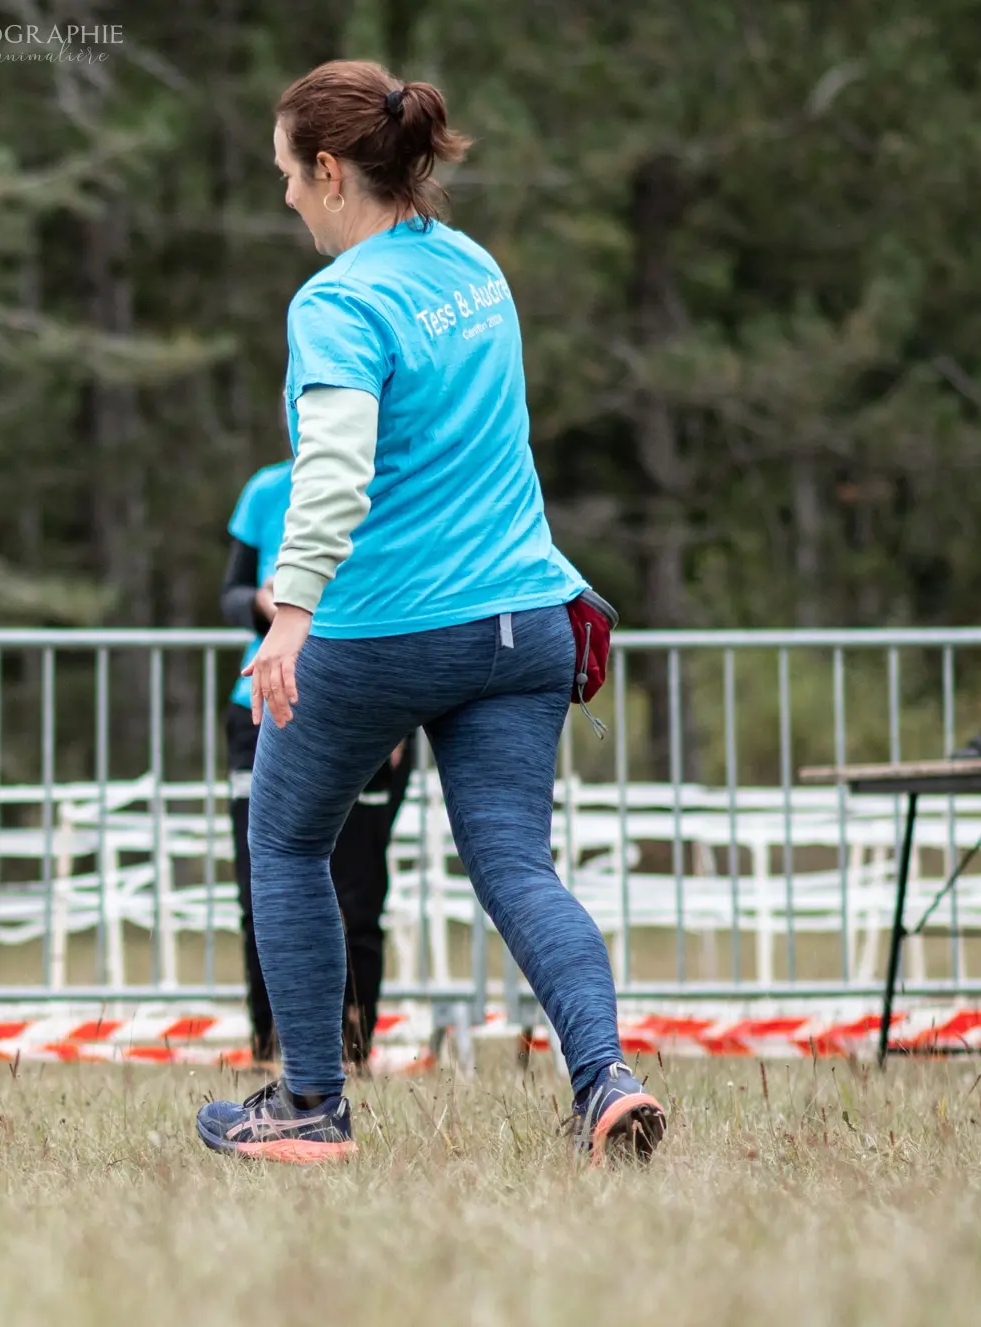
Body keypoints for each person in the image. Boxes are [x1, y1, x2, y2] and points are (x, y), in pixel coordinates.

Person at [195, 59, 666, 1166]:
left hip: (386, 629)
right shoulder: (473, 269)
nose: (282, 200)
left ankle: (308, 1103)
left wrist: (291, 609)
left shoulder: (337, 301)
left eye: (284, 176)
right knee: (513, 865)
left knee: (284, 840)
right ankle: (603, 1080)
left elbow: (335, 468)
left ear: (327, 171)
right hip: (523, 618)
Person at [221, 461, 412, 1070]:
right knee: (263, 888)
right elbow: (228, 593)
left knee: (356, 889)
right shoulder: (266, 489)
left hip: (364, 702)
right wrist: (259, 602)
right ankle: (269, 1045)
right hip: (263, 704)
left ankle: (353, 1048)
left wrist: (399, 711)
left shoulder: (396, 481)